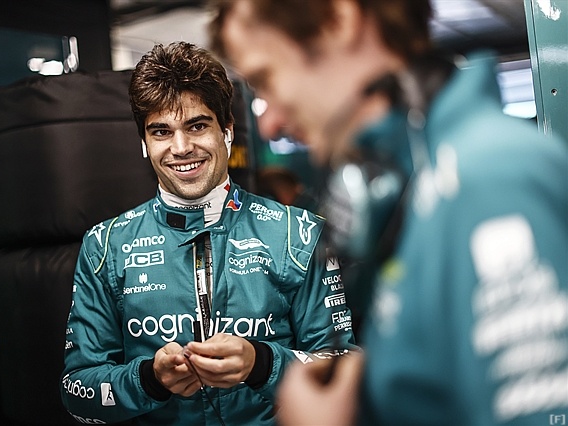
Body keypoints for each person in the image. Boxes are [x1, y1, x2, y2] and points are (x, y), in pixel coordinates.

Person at [209, 0, 568, 425]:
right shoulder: (411, 183)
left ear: (338, 19)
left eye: (266, 79)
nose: (268, 124)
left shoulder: (488, 178)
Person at [59, 41, 355, 426]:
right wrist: (149, 381)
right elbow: (76, 393)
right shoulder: (105, 246)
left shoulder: (299, 234)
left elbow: (344, 376)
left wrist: (261, 364)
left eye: (197, 126)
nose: (181, 148)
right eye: (161, 131)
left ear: (227, 131)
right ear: (144, 144)